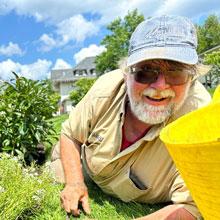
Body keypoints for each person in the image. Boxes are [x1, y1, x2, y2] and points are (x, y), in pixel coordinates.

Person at [50, 15, 211, 219]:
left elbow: (194, 206)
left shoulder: (201, 121)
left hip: (122, 185)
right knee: (52, 171)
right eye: (145, 72)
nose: (160, 86)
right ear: (126, 74)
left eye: (176, 72)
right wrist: (74, 182)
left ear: (193, 76)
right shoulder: (105, 88)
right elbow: (70, 134)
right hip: (87, 162)